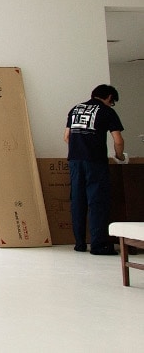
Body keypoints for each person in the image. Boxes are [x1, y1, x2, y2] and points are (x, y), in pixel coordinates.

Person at [64, 84, 125, 255]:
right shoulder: (107, 111)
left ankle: (79, 243)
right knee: (97, 201)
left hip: (75, 161)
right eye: (112, 102)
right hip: (95, 161)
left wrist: (80, 147)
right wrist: (119, 156)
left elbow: (67, 137)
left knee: (77, 200)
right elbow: (118, 140)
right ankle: (98, 245)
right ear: (109, 97)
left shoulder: (75, 109)